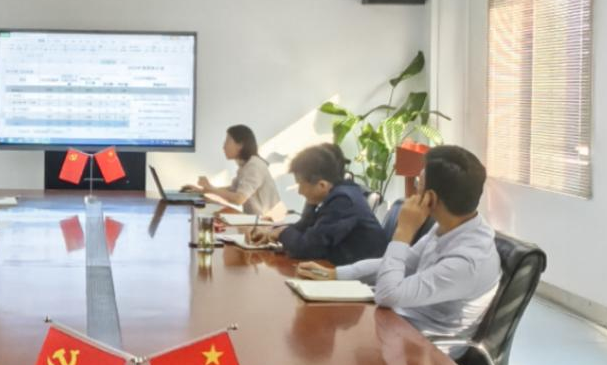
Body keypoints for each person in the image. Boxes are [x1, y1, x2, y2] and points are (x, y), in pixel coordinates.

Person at [299, 145, 501, 341]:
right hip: (401, 322)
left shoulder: (468, 261)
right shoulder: (452, 225)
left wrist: (404, 231)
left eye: (418, 183)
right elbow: (407, 263)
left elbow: (388, 295)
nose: (414, 190)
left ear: (430, 199)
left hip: (428, 348)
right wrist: (337, 274)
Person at [248, 143, 387, 264]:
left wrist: (281, 233)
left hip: (358, 277)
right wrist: (273, 232)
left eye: (300, 184)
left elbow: (307, 247)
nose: (299, 192)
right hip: (338, 265)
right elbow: (305, 226)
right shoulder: (335, 192)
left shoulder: (343, 201)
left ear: (322, 185)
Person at [183, 125, 280, 215]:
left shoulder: (254, 166)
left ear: (240, 145)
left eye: (227, 142)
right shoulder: (245, 166)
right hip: (258, 219)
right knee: (216, 208)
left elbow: (239, 199)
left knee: (218, 213)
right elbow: (232, 191)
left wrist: (211, 190)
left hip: (269, 223)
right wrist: (203, 191)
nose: (223, 147)